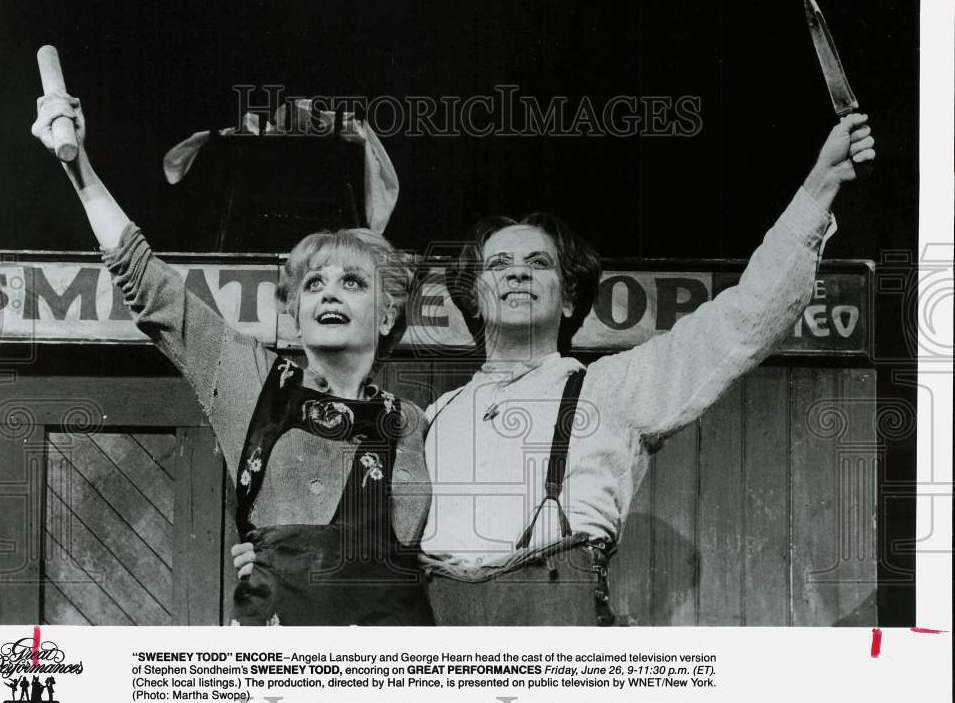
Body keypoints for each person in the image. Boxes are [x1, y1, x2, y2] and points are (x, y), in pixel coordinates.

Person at [233, 113, 876, 625]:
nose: (516, 271)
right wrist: (275, 557)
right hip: (435, 651)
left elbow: (743, 320)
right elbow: (361, 534)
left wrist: (818, 188)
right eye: (498, 265)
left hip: (555, 640)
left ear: (569, 297)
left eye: (538, 264)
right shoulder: (429, 423)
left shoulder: (614, 389)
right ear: (472, 297)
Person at [32, 92, 435, 626]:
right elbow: (147, 282)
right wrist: (79, 166)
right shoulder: (253, 381)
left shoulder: (410, 421)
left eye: (353, 282)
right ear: (295, 313)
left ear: (386, 317)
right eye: (314, 283)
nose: (330, 294)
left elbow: (430, 561)